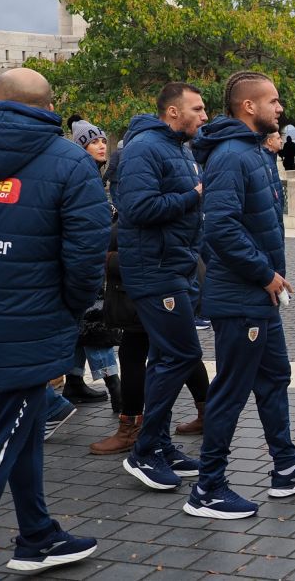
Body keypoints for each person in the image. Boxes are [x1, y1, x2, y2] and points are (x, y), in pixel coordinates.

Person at [0, 68, 110, 578]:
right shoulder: (68, 162)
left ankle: (36, 534)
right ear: (48, 106)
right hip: (33, 322)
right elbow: (87, 256)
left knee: (20, 429)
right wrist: (70, 308)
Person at [186, 72, 295, 519]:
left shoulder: (252, 152)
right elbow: (221, 227)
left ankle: (286, 467)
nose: (280, 108)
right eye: (273, 101)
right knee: (231, 390)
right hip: (241, 295)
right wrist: (265, 273)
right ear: (248, 107)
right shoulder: (233, 156)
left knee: (275, 376)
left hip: (258, 295)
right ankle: (208, 488)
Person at [116, 83, 208, 491]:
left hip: (175, 265)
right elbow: (138, 209)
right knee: (182, 353)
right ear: (173, 112)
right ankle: (145, 449)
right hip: (154, 270)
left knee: (166, 357)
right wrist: (194, 195)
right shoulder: (144, 149)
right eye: (198, 108)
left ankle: (161, 443)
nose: (204, 116)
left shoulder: (180, 148)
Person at [91, 223, 209, 456]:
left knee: (135, 352)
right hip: (166, 286)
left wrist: (108, 260)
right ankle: (208, 413)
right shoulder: (174, 195)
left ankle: (131, 429)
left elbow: (153, 252)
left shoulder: (151, 198)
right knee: (182, 350)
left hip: (157, 288)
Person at [63, 120, 120, 409]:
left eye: (101, 140)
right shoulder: (80, 173)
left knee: (82, 324)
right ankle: (116, 388)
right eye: (93, 141)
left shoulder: (94, 174)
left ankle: (74, 381)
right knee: (96, 323)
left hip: (91, 258)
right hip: (84, 260)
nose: (101, 144)